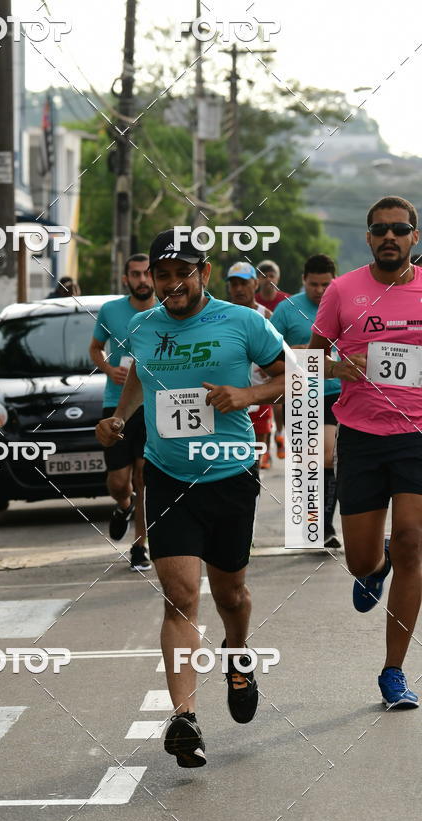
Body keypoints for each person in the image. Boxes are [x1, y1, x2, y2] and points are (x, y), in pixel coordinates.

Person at [96, 230, 285, 766]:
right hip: (168, 477)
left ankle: (238, 652)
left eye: (184, 272)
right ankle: (185, 719)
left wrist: (247, 394)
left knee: (231, 595)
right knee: (180, 596)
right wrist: (120, 417)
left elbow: (294, 374)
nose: (172, 283)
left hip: (230, 474)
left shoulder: (244, 322)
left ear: (204, 273)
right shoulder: (142, 326)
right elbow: (140, 373)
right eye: (163, 274)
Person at [309, 196, 422, 710]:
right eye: (380, 229)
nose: (389, 236)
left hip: (416, 435)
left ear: (414, 237)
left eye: (399, 228)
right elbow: (309, 360)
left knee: (414, 542)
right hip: (360, 435)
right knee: (359, 559)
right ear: (368, 237)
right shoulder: (342, 290)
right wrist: (337, 369)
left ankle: (393, 671)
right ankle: (377, 566)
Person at [89, 254, 156, 571]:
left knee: (144, 477)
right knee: (119, 482)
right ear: (125, 279)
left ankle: (140, 545)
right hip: (117, 404)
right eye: (135, 274)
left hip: (151, 403)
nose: (142, 280)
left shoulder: (165, 310)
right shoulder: (111, 310)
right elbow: (94, 348)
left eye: (147, 273)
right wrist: (109, 369)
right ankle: (123, 505)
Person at [272, 254, 340, 547]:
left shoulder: (344, 303)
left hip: (334, 391)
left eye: (326, 284)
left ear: (334, 280)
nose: (320, 291)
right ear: (304, 280)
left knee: (328, 456)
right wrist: (295, 351)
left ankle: (325, 525)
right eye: (314, 284)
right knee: (307, 462)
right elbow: (268, 349)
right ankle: (311, 520)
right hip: (298, 392)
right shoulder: (287, 309)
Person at [226, 262, 275, 470]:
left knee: (255, 459)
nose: (238, 289)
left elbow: (283, 353)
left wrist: (271, 367)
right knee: (232, 459)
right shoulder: (222, 316)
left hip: (260, 395)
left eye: (244, 283)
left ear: (255, 284)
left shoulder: (267, 316)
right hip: (230, 396)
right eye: (234, 284)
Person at [255, 260, 290, 458]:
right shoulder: (251, 301)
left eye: (272, 275)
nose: (268, 280)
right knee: (263, 402)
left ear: (278, 278)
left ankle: (280, 434)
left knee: (277, 401)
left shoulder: (287, 302)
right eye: (264, 276)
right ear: (257, 279)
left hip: (281, 356)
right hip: (258, 358)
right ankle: (266, 449)